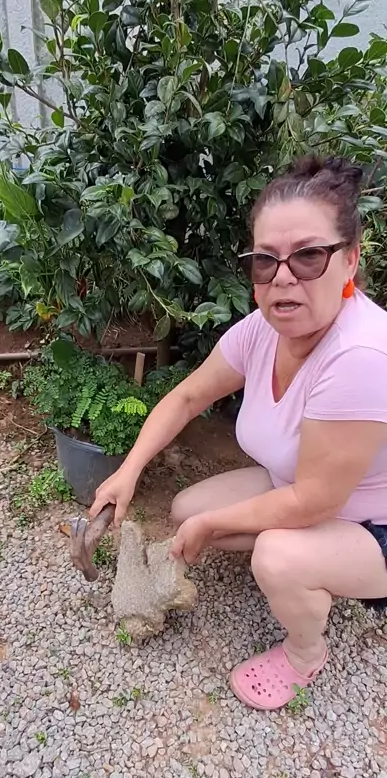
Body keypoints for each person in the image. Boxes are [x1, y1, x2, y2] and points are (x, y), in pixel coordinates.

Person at [90, 155, 387, 711]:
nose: (283, 277)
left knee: (274, 555)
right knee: (186, 509)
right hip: (300, 491)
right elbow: (187, 398)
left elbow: (317, 500)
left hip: (376, 526)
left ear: (349, 259)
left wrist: (214, 525)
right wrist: (127, 472)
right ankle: (305, 563)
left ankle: (305, 651)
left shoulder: (360, 355)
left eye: (309, 256)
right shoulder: (262, 331)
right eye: (265, 260)